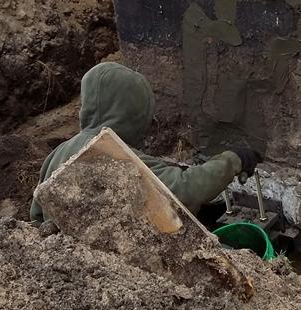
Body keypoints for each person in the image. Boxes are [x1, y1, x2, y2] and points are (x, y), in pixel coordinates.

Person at [30, 62, 260, 223]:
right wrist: (234, 160)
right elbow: (185, 188)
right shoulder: (111, 153)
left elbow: (38, 214)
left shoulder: (60, 152)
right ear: (132, 114)